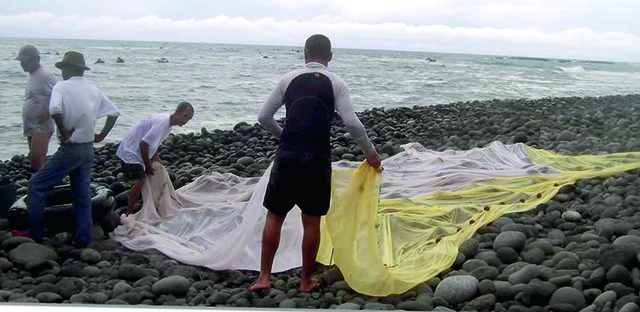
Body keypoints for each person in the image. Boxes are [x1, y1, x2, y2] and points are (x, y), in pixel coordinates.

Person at [250, 34, 382, 292]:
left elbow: (264, 117)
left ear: (305, 53)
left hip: (287, 155)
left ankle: (264, 276)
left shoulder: (287, 79)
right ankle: (305, 281)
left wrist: (284, 136)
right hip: (317, 157)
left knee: (274, 216)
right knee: (311, 221)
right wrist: (371, 154)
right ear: (330, 56)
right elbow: (352, 123)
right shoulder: (337, 83)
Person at [27, 51, 120, 247]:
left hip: (70, 148)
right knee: (82, 194)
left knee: (36, 185)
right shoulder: (93, 89)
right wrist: (101, 136)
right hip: (87, 149)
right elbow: (114, 112)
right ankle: (83, 238)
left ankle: (34, 235)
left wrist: (63, 130)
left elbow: (54, 110)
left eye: (63, 69)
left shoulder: (62, 86)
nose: (61, 73)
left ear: (68, 69)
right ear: (82, 70)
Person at [115, 102, 194, 215]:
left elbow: (154, 142)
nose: (185, 121)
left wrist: (155, 157)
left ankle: (133, 197)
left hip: (136, 150)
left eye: (188, 119)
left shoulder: (169, 124)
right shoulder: (162, 123)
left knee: (140, 180)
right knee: (140, 181)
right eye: (184, 116)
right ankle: (129, 211)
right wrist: (147, 166)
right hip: (130, 151)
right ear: (177, 112)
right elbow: (143, 144)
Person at [15, 44, 59, 172]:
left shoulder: (45, 75)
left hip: (41, 126)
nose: (22, 64)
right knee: (35, 163)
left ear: (35, 59)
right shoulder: (32, 76)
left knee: (36, 163)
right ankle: (39, 187)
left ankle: (41, 189)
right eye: (21, 61)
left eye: (24, 61)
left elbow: (61, 94)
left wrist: (49, 111)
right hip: (31, 125)